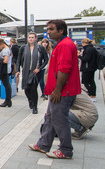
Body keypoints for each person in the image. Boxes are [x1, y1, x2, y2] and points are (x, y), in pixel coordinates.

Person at [29, 19, 81, 159]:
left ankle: (66, 150)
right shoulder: (62, 44)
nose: (48, 32)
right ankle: (43, 144)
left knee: (59, 119)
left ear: (61, 30)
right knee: (51, 117)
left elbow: (64, 70)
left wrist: (58, 90)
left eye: (51, 29)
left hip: (63, 91)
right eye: (48, 29)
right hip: (59, 90)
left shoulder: (65, 45)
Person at [16, 32, 48, 114]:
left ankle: (35, 107)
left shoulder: (40, 48)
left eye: (33, 37)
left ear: (36, 38)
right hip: (26, 71)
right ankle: (30, 100)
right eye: (29, 37)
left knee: (34, 89)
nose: (31, 39)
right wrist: (17, 70)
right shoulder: (23, 48)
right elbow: (19, 60)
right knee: (26, 89)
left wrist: (39, 68)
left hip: (35, 72)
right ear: (27, 39)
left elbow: (46, 60)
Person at [0, 38, 12, 108]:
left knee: (6, 85)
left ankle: (7, 101)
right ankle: (8, 101)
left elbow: (5, 61)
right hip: (7, 69)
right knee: (7, 85)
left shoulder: (5, 50)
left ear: (1, 44)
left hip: (4, 70)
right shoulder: (8, 49)